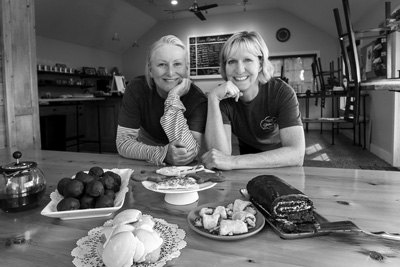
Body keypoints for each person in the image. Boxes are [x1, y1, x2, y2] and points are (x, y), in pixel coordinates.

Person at [201, 31, 305, 170]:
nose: (239, 69)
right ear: (225, 68)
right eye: (231, 61)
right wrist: (213, 99)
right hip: (246, 161)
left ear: (260, 64)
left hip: (281, 162)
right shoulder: (222, 98)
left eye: (247, 60)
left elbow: (296, 154)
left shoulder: (281, 92)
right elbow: (219, 157)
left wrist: (233, 162)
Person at [116, 35, 207, 166]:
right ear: (150, 70)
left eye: (177, 64)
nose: (170, 72)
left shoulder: (198, 100)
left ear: (186, 68)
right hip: (146, 152)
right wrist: (162, 153)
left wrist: (173, 98)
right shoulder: (136, 89)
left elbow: (187, 153)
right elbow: (123, 143)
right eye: (162, 64)